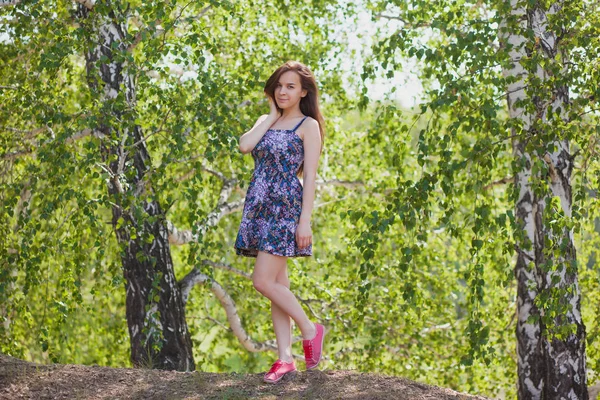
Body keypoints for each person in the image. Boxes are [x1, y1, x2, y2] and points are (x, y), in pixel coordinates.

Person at [235, 60, 327, 384]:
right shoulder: (266, 120)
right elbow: (245, 145)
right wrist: (272, 116)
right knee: (278, 286)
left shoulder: (308, 126)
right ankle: (285, 358)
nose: (283, 91)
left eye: (290, 86)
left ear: (303, 91)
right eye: (279, 86)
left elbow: (311, 177)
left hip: (285, 208)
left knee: (262, 281)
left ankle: (311, 330)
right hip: (259, 207)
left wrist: (306, 221)